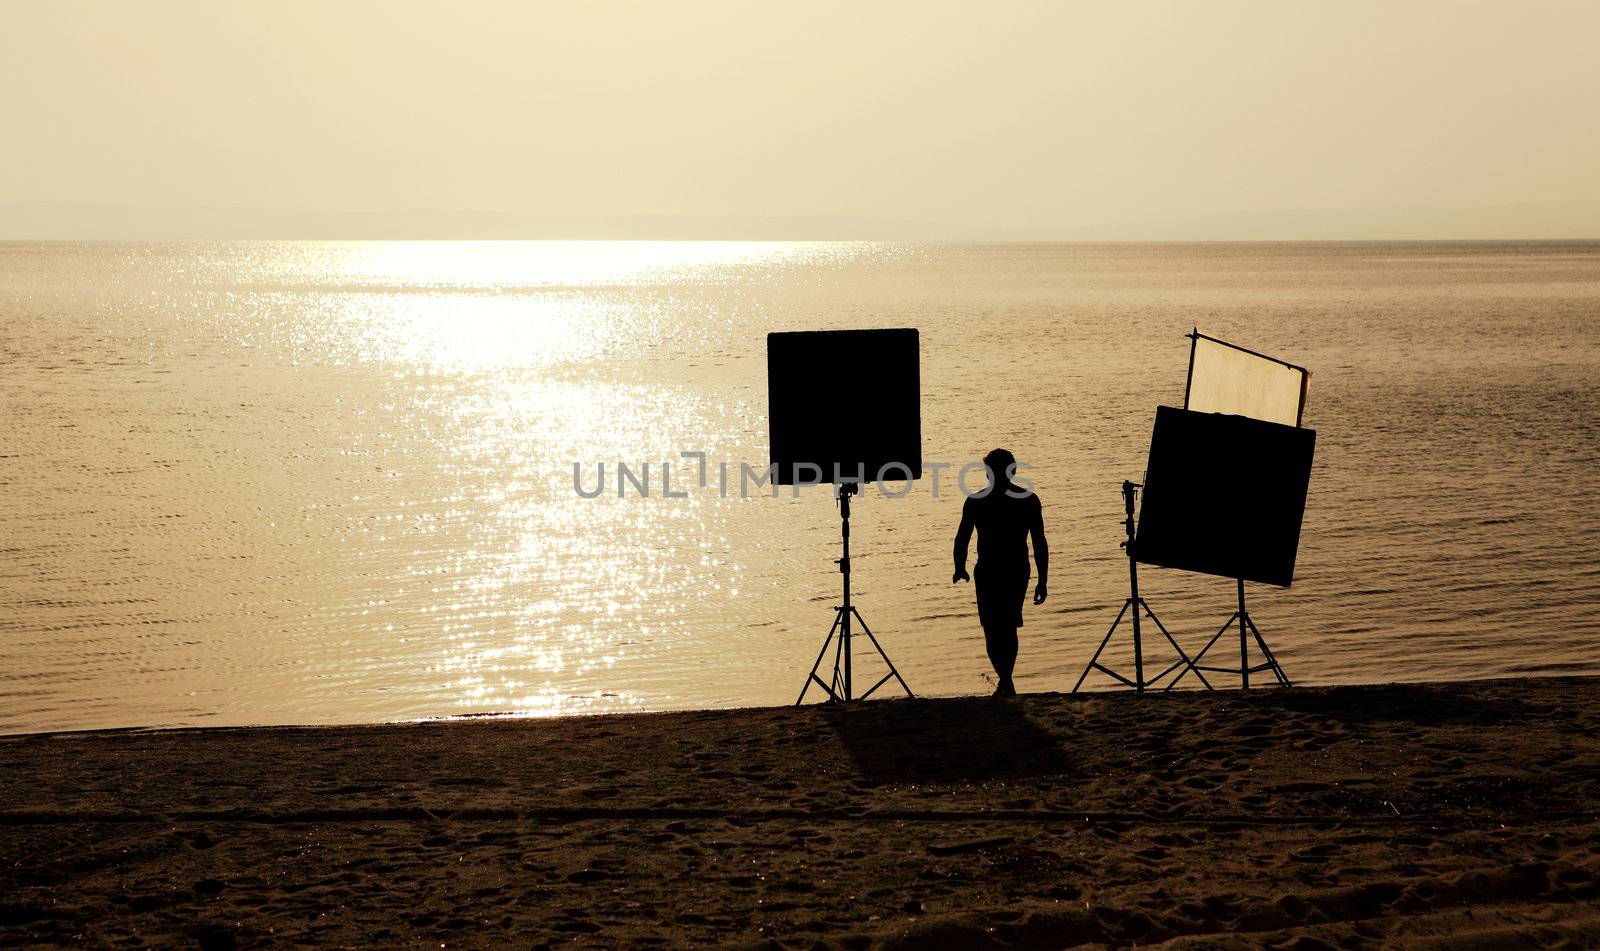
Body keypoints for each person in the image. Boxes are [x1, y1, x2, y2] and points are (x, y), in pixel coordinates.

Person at [952, 448, 1048, 696]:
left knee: (1000, 626)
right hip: (996, 570)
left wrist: (1043, 580)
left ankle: (1005, 679)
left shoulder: (1023, 500)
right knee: (999, 626)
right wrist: (959, 566)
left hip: (1008, 570)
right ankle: (1006, 679)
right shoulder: (982, 501)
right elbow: (962, 537)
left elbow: (1039, 542)